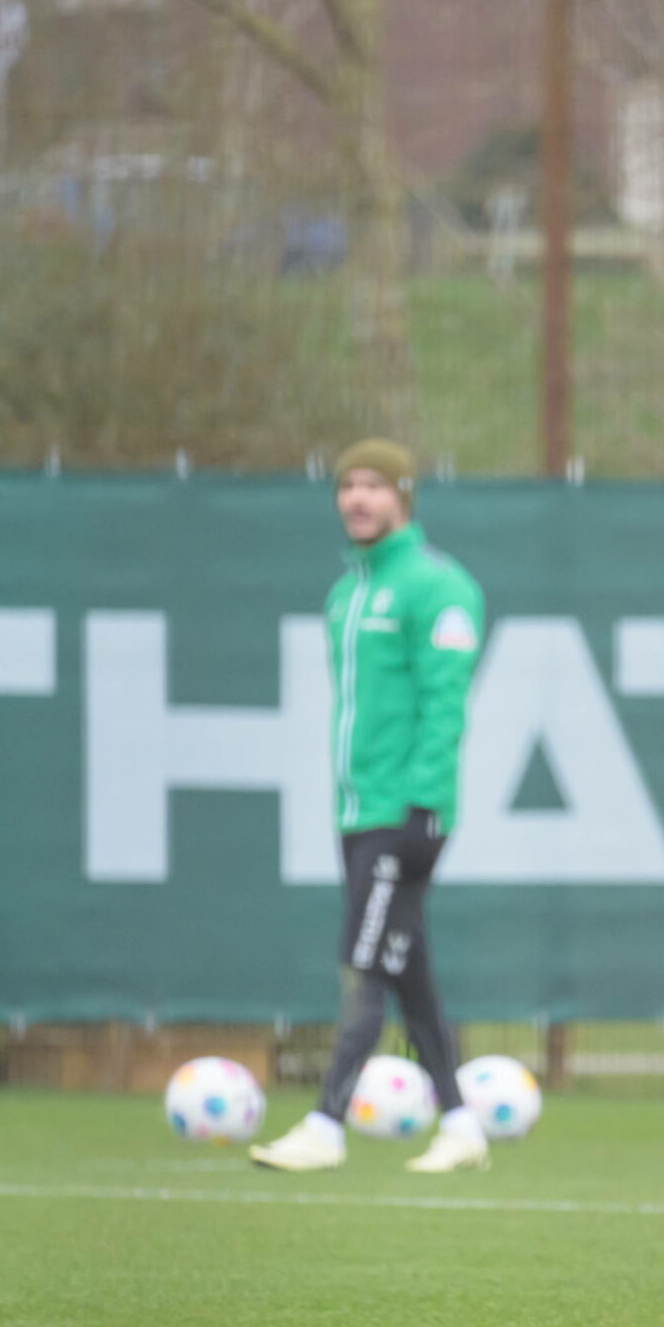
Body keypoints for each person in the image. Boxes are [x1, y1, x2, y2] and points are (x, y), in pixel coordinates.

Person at [251, 439, 491, 1175]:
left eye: (373, 486)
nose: (357, 498)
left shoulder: (437, 587)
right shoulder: (345, 593)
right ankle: (460, 1123)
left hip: (405, 811)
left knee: (363, 961)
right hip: (356, 810)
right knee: (404, 967)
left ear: (403, 497)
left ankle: (326, 1123)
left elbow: (445, 705)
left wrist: (424, 802)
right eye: (347, 485)